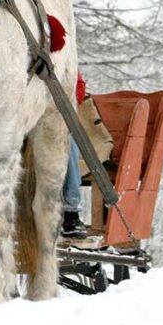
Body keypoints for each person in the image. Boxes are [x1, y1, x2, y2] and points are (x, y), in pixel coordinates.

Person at [61, 71, 90, 239]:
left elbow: (78, 85)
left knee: (67, 141)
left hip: (54, 114)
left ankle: (70, 213)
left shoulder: (64, 51)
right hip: (20, 115)